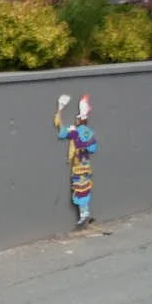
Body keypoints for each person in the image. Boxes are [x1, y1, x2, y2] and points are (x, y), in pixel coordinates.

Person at [55, 93, 98, 227]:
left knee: (80, 189)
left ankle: (84, 214)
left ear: (80, 120)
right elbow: (93, 148)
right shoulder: (90, 132)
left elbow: (62, 133)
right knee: (84, 188)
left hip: (78, 165)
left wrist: (59, 113)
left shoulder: (75, 132)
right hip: (86, 165)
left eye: (76, 119)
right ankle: (84, 213)